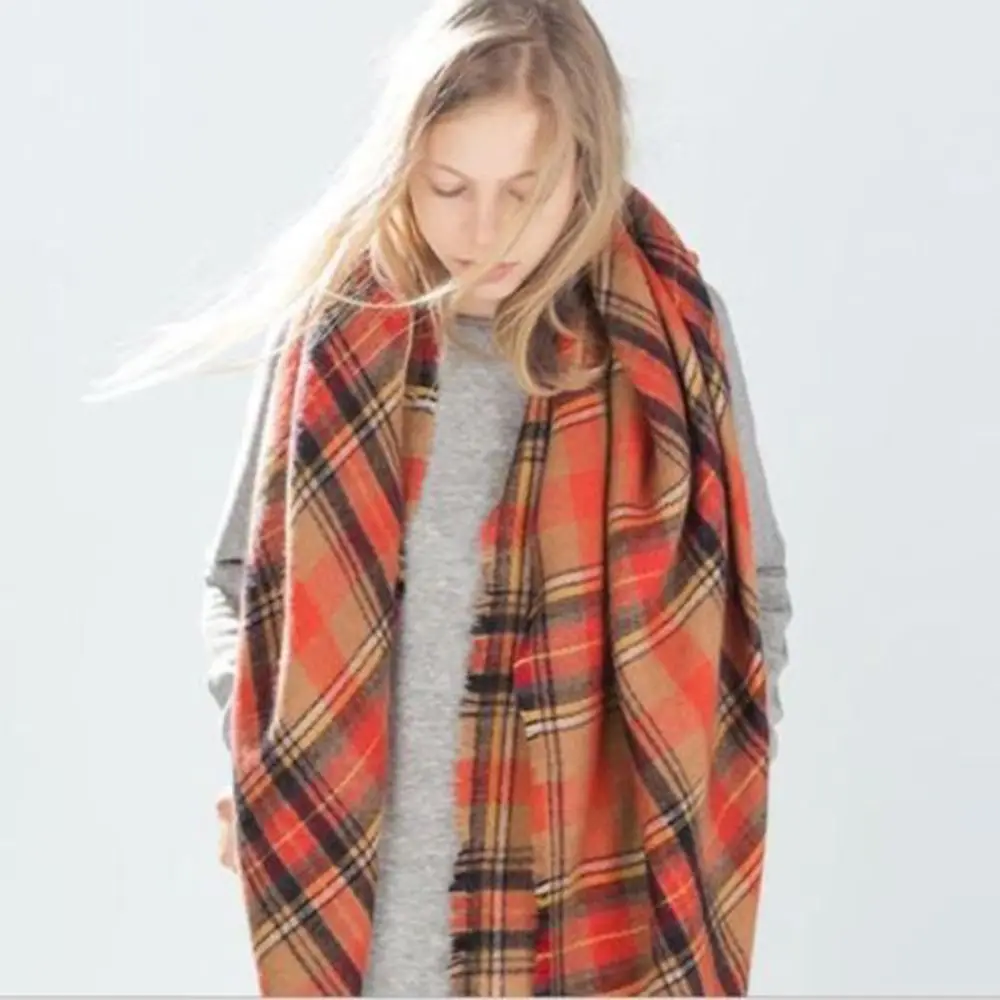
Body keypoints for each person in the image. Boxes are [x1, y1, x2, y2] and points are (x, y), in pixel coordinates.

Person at [97, 0, 792, 995]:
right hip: (368, 911)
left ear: (588, 168)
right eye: (449, 187)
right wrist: (258, 758)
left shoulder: (674, 339)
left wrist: (711, 782)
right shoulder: (331, 339)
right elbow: (239, 579)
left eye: (525, 190)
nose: (484, 232)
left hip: (608, 906)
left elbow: (753, 592)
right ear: (404, 168)